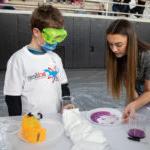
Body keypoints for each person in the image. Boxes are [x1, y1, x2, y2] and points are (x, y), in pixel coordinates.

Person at [3, 5, 71, 116]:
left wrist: (67, 104)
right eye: (52, 36)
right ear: (36, 32)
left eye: (58, 37)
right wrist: (17, 124)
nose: (55, 42)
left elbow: (64, 87)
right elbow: (12, 98)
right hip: (32, 123)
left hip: (56, 119)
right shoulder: (18, 60)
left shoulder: (55, 58)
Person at [106, 19, 150, 122]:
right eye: (110, 44)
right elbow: (128, 82)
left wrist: (135, 104)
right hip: (137, 95)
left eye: (118, 45)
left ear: (130, 41)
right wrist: (133, 102)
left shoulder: (147, 56)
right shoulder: (120, 55)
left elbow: (149, 91)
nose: (114, 50)